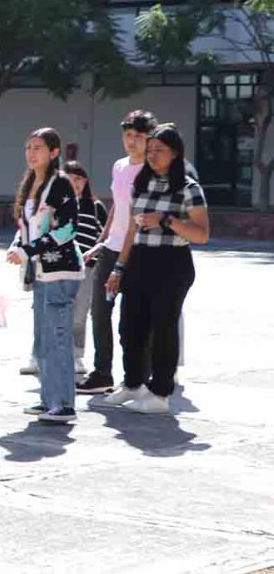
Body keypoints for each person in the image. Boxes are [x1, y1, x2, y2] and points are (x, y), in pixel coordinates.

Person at [103, 124, 210, 414]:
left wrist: (166, 219)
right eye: (149, 150)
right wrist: (119, 268)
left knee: (163, 328)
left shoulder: (189, 188)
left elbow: (202, 234)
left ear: (175, 153)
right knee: (130, 326)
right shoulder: (141, 184)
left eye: (159, 150)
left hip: (172, 262)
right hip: (139, 259)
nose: (152, 155)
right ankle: (133, 383)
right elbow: (129, 232)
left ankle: (161, 392)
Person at [5, 128, 85, 424]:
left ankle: (63, 403)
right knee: (43, 339)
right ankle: (48, 398)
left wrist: (27, 250)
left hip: (60, 270)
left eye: (38, 147)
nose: (31, 153)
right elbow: (26, 226)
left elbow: (67, 230)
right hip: (40, 273)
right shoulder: (32, 184)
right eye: (28, 147)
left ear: (54, 152)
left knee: (58, 338)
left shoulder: (60, 183)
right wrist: (18, 245)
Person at [77, 110, 156, 395]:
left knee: (133, 318)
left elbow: (139, 217)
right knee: (99, 311)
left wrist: (122, 260)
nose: (132, 142)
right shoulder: (120, 166)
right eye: (128, 135)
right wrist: (101, 241)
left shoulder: (151, 172)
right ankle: (102, 372)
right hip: (111, 248)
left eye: (139, 136)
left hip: (137, 252)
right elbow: (116, 207)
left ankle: (137, 378)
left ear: (149, 139)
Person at [61, 160, 108, 384]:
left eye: (79, 179)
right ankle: (49, 353)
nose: (75, 183)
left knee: (80, 314)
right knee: (58, 311)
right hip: (61, 267)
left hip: (88, 267)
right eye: (70, 178)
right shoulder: (57, 203)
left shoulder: (95, 206)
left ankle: (77, 354)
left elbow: (104, 235)